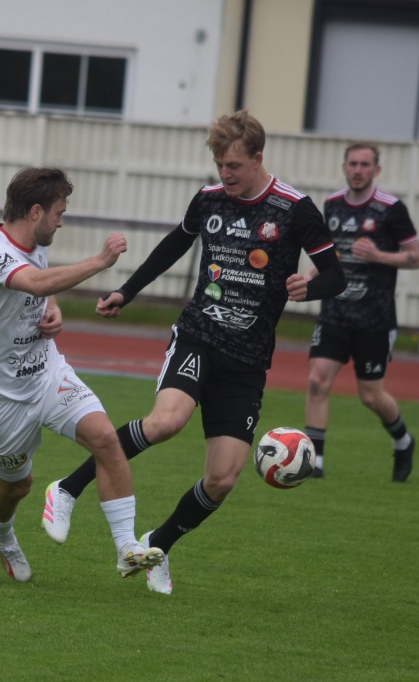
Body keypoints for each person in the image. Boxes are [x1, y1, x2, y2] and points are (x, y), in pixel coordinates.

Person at [39, 111, 346, 594]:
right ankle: (66, 488)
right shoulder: (208, 199)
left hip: (248, 360)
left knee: (221, 479)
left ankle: (156, 545)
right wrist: (126, 292)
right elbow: (172, 247)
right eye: (220, 164)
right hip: (198, 335)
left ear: (258, 158)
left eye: (234, 166)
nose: (225, 174)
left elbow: (337, 275)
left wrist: (311, 286)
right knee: (166, 422)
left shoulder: (294, 209)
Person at [0, 167, 164, 583]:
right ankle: (1, 535)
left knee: (106, 438)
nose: (61, 222)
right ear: (36, 211)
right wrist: (102, 261)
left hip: (48, 374)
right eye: (59, 213)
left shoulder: (34, 245)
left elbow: (41, 287)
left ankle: (127, 548)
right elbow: (35, 282)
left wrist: (51, 309)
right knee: (15, 486)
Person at [304, 142, 419, 481]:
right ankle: (315, 462)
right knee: (316, 381)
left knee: (370, 395)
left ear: (376, 170)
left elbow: (415, 257)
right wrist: (310, 275)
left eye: (364, 165)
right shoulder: (332, 204)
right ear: (344, 167)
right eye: (353, 164)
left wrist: (379, 256)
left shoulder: (391, 209)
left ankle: (403, 441)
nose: (358, 170)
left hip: (375, 318)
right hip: (334, 312)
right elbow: (329, 255)